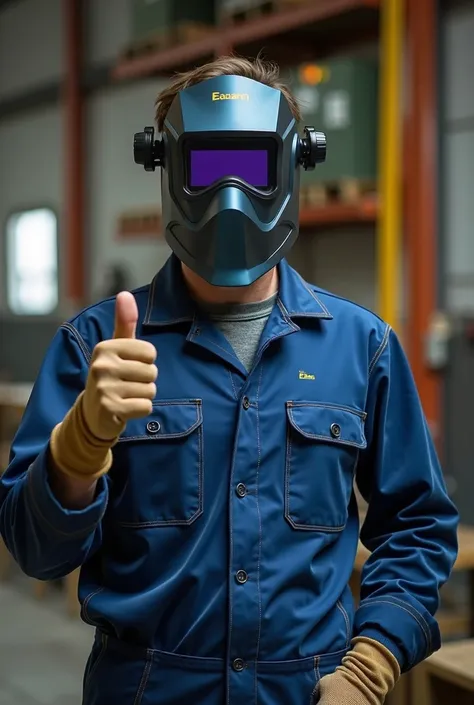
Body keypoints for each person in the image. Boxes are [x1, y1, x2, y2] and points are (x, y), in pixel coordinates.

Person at [0, 57, 458, 705]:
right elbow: (35, 554)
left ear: (295, 164)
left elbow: (417, 526)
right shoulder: (95, 344)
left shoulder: (363, 346)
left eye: (253, 164)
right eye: (210, 167)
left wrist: (370, 662)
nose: (231, 195)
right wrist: (76, 449)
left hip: (306, 692)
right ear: (167, 166)